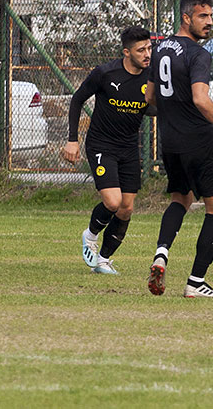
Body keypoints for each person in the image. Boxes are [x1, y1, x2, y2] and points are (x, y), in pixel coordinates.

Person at [145, 0, 213, 298]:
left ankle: (161, 254)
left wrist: (171, 111)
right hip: (199, 142)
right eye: (203, 17)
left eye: (211, 17)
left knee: (181, 199)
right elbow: (200, 99)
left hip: (170, 143)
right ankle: (195, 282)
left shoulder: (160, 49)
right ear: (186, 17)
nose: (209, 23)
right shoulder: (198, 54)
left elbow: (150, 99)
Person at [62, 26, 153, 275]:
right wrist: (72, 140)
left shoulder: (152, 77)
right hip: (101, 144)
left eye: (149, 48)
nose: (147, 54)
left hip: (128, 147)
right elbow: (77, 99)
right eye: (141, 50)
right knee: (113, 202)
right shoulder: (105, 73)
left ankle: (102, 260)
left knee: (126, 208)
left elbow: (154, 108)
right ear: (126, 52)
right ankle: (90, 234)